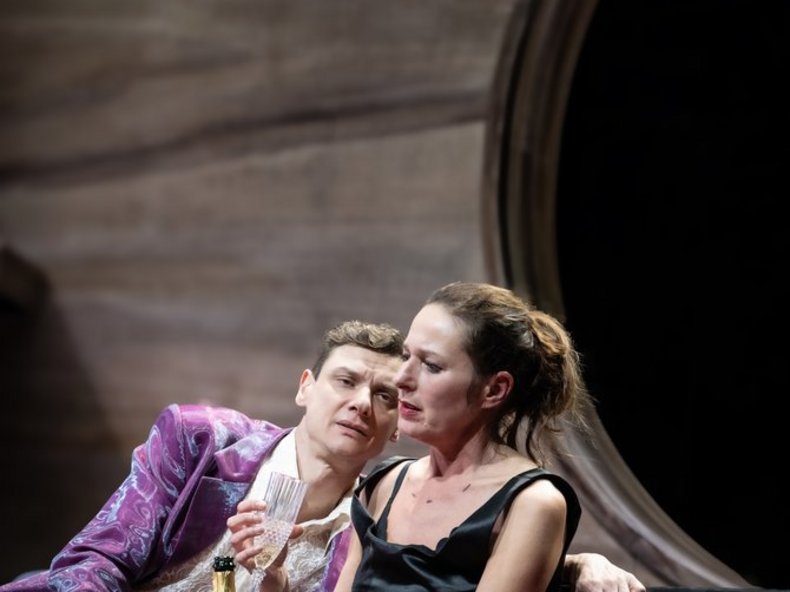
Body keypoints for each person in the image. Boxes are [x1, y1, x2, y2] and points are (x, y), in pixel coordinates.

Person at [1, 319, 644, 592]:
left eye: (385, 396)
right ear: (305, 387)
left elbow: (459, 561)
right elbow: (98, 559)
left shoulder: (379, 518)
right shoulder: (201, 439)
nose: (363, 403)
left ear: (399, 424)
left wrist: (578, 564)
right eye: (345, 381)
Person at [334, 281, 598, 592]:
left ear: (494, 389)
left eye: (431, 366)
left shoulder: (531, 504)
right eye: (406, 356)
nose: (402, 379)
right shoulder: (384, 484)